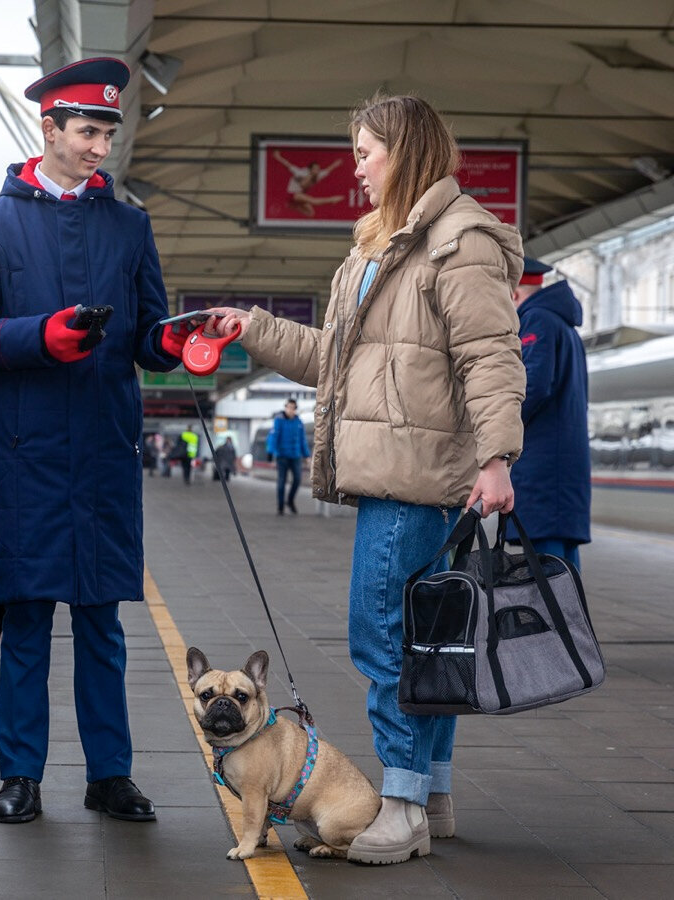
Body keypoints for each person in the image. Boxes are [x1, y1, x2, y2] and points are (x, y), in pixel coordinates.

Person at [204, 93, 525, 864]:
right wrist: (255, 329)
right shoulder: (377, 247)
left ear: (405, 151)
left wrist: (496, 458)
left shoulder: (459, 240)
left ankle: (404, 808)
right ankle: (434, 791)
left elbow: (490, 355)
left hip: (418, 479)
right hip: (392, 468)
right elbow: (335, 366)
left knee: (383, 638)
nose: (354, 169)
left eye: (364, 153)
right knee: (432, 642)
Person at [0, 57, 196, 826]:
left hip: (104, 453)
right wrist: (42, 337)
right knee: (25, 621)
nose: (99, 148)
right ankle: (21, 774)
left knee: (102, 621)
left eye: (106, 135)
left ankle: (109, 775)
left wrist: (184, 338)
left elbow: (149, 335)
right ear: (48, 127)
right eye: (87, 131)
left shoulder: (130, 225)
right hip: (29, 459)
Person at [506, 258, 591, 569]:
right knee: (562, 561)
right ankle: (568, 618)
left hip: (544, 464)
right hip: (561, 465)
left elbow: (533, 384)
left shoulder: (537, 320)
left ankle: (559, 618)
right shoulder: (563, 326)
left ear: (514, 294)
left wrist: (501, 428)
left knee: (546, 560)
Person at [271, 149, 345, 216]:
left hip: (299, 195)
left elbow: (327, 170)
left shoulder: (317, 175)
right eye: (315, 169)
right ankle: (332, 200)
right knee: (313, 201)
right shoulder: (301, 173)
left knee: (311, 213)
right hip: (292, 194)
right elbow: (288, 166)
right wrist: (278, 157)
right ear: (310, 170)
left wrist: (336, 164)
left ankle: (293, 206)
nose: (317, 170)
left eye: (318, 169)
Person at [269, 398, 310, 514]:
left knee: (297, 479)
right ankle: (280, 507)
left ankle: (290, 500)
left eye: (293, 408)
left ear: (295, 409)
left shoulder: (299, 422)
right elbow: (274, 437)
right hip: (282, 456)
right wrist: (271, 454)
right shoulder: (279, 421)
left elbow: (303, 440)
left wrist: (306, 455)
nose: (290, 410)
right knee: (281, 481)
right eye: (288, 407)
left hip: (296, 456)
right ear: (285, 407)